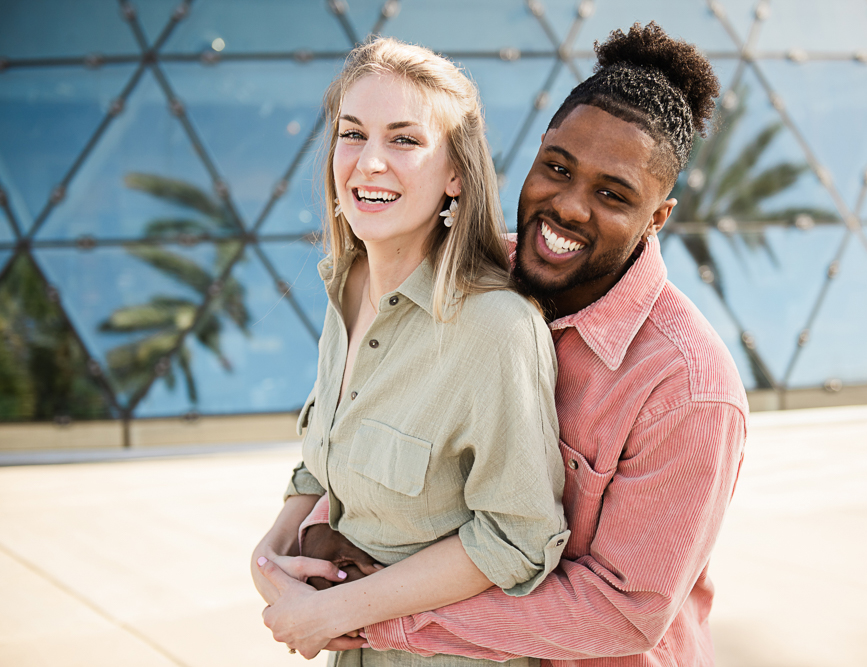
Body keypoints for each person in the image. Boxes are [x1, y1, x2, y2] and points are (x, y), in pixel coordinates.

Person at [292, 22, 748, 666]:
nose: (568, 207)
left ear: (658, 218)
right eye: (556, 168)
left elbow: (619, 612)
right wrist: (310, 543)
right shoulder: (470, 281)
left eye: (612, 194)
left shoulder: (690, 390)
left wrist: (367, 615)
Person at [250, 36, 569, 665]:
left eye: (404, 139)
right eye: (352, 134)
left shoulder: (495, 329)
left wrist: (331, 611)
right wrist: (270, 559)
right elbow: (322, 461)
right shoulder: (346, 289)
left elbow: (519, 535)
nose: (369, 163)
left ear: (455, 173)